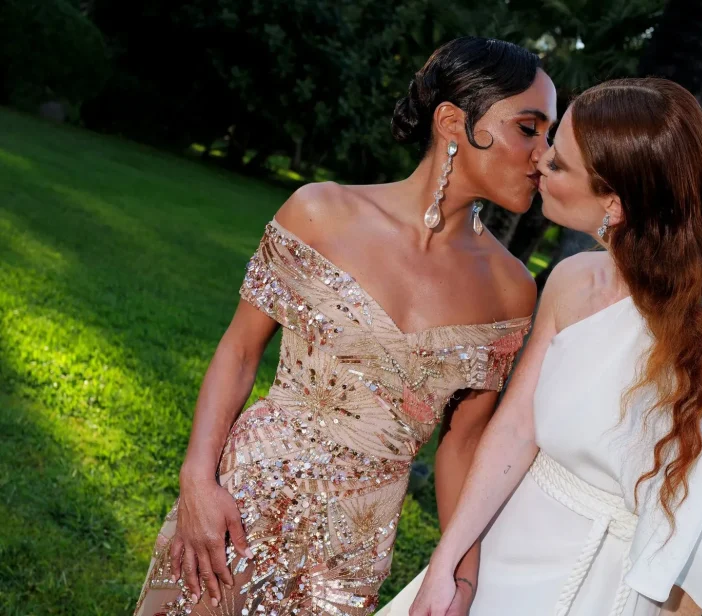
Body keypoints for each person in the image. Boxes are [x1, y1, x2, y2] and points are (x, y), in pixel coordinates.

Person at [133, 37, 557, 616]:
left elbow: (462, 442)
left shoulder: (512, 288)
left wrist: (462, 575)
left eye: (550, 135)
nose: (544, 155)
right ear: (453, 122)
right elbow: (239, 351)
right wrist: (196, 481)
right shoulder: (321, 212)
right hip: (239, 504)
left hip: (354, 546)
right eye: (529, 128)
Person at [397, 78, 702, 616]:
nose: (539, 163)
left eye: (560, 164)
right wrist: (448, 560)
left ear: (615, 206)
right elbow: (515, 430)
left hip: (608, 586)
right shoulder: (571, 279)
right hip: (510, 540)